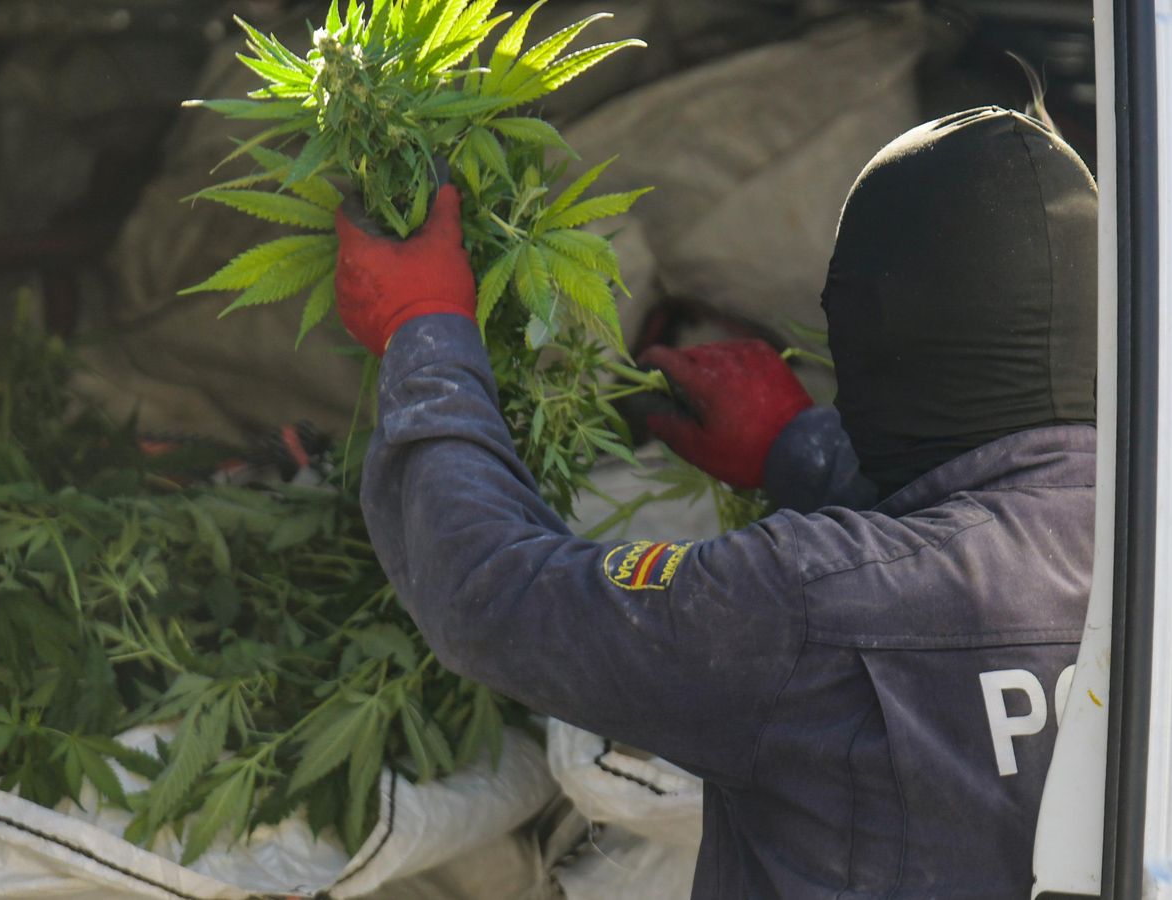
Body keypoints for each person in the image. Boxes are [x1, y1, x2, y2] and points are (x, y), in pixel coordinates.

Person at [340, 107, 1097, 899]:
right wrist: (799, 451)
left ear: (875, 336)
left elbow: (491, 591)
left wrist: (420, 331)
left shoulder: (810, 602)